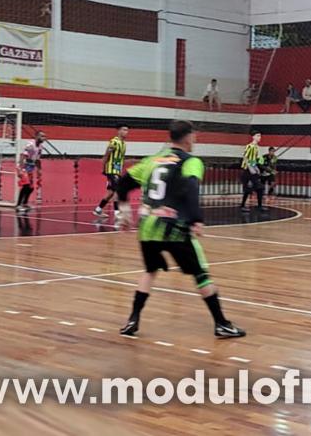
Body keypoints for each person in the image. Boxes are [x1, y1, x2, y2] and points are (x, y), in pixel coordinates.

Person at [115, 120, 245, 339]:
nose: (195, 140)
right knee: (200, 274)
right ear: (187, 137)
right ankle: (221, 323)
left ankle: (133, 320)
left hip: (147, 227)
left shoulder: (151, 161)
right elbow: (192, 188)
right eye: (194, 136)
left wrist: (124, 212)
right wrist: (196, 219)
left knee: (150, 271)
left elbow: (122, 183)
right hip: (173, 227)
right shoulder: (191, 161)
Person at [94, 125, 129, 219]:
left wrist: (121, 170)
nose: (126, 132)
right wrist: (104, 168)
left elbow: (121, 159)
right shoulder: (114, 142)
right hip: (111, 170)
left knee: (110, 192)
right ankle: (117, 213)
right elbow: (106, 155)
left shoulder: (124, 144)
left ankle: (98, 209)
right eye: (124, 130)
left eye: (127, 130)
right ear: (119, 131)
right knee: (118, 190)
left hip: (117, 171)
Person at [16, 131, 46, 213]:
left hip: (30, 167)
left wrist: (39, 170)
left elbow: (38, 160)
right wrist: (20, 169)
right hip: (24, 166)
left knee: (31, 188)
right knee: (26, 185)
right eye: (42, 136)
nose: (44, 138)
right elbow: (22, 155)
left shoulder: (40, 147)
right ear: (36, 136)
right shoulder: (30, 144)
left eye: (44, 136)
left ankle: (25, 203)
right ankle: (18, 205)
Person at [239, 131, 264, 212]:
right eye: (257, 135)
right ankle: (242, 205)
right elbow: (245, 157)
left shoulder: (256, 147)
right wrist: (250, 168)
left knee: (259, 187)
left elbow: (252, 160)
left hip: (252, 169)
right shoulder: (250, 146)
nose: (259, 137)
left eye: (260, 136)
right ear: (253, 137)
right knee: (247, 188)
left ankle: (259, 205)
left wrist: (256, 167)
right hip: (247, 170)